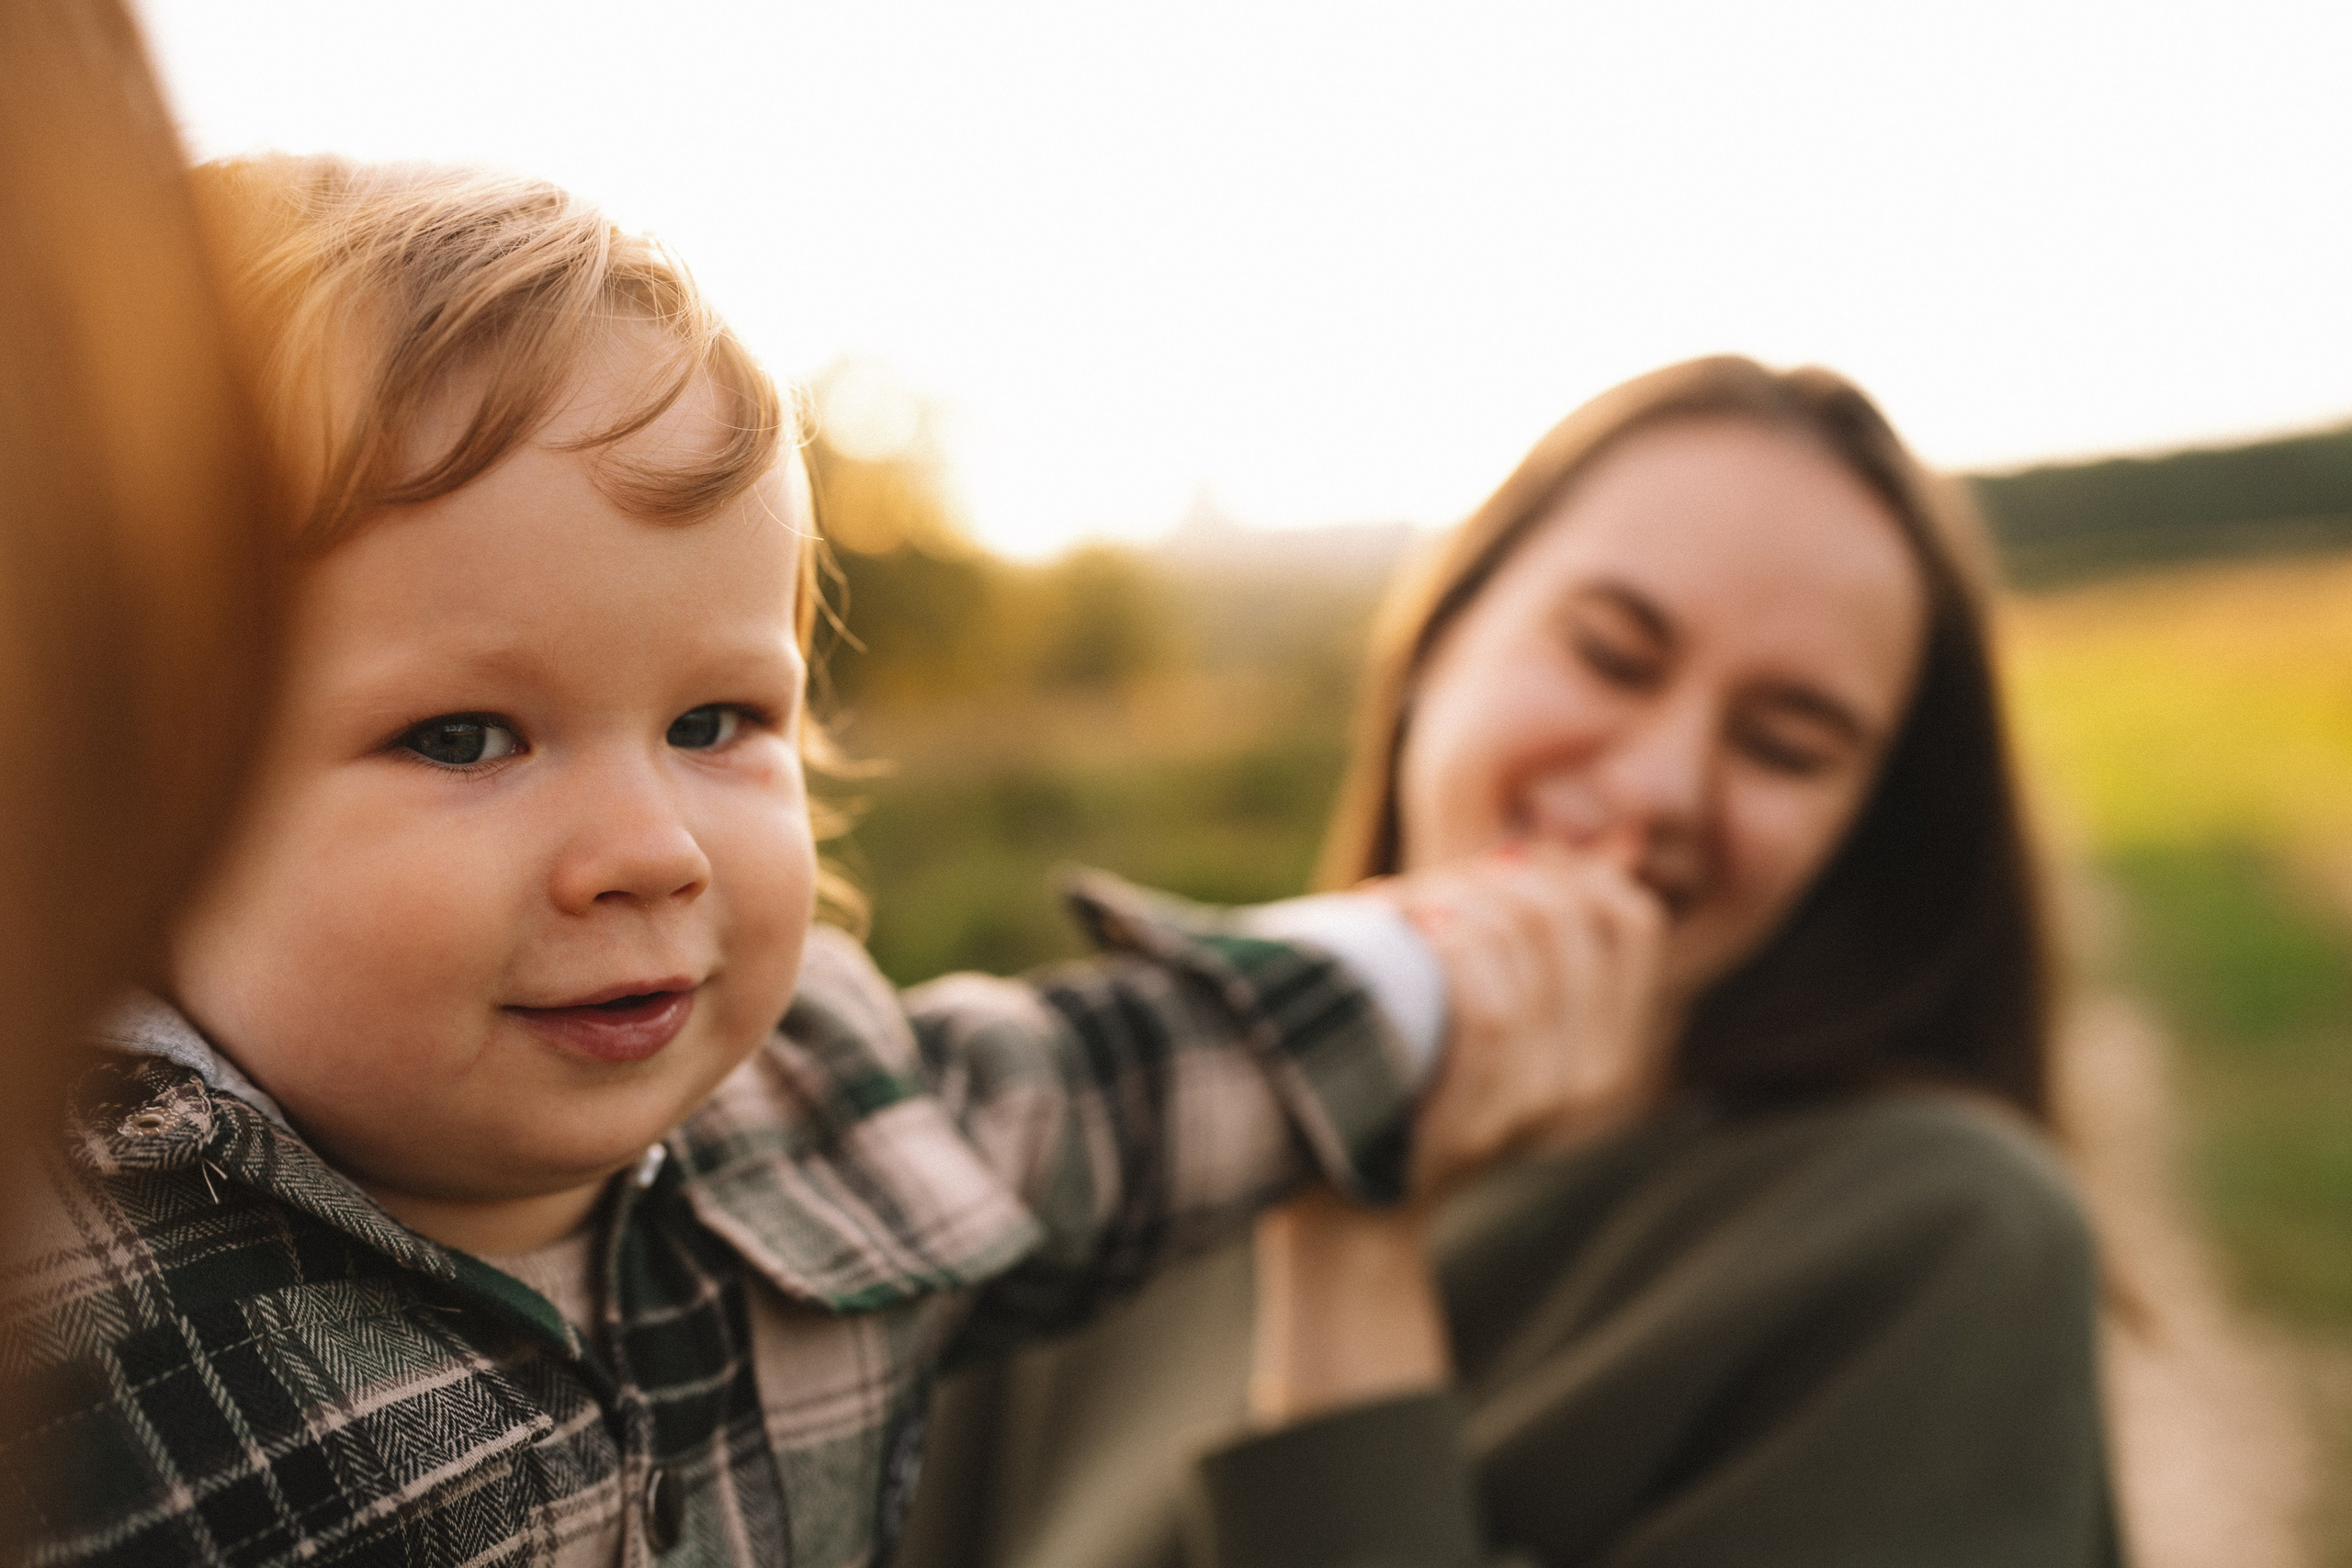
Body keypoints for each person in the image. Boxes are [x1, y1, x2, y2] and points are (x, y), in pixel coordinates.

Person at [0, 153, 1648, 1567]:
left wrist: (1441, 963)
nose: (652, 852)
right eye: (463, 738)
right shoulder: (69, 1311)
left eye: (716, 721)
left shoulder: (815, 1105)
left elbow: (1130, 1086)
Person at [897, 357, 2125, 1568]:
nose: (1659, 786)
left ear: (1866, 831)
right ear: (1441, 639)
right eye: (1610, 656)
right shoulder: (1136, 1103)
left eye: (1785, 746)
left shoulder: (1943, 1241)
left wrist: (1357, 1227)